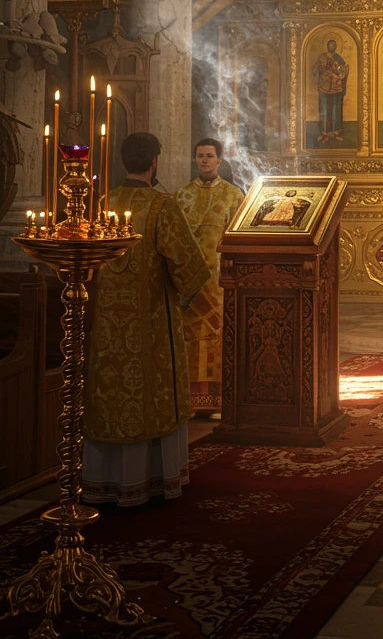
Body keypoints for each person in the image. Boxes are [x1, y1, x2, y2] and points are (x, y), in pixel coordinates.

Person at [83, 132, 210, 506]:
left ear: (124, 162)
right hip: (151, 324)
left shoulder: (100, 204)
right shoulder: (162, 206)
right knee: (149, 394)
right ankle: (153, 480)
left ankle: (103, 482)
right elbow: (190, 268)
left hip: (106, 327)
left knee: (111, 391)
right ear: (153, 162)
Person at [176, 138, 244, 417]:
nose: (204, 160)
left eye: (209, 156)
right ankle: (190, 401)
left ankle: (219, 400)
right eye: (200, 155)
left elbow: (238, 238)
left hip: (218, 281)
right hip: (190, 282)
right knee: (190, 337)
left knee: (218, 336)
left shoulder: (233, 195)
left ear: (219, 160)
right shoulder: (182, 196)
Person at [314, 38, 349, 143]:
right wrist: (317, 69)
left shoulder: (339, 58)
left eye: (334, 45)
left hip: (335, 88)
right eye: (330, 45)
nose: (332, 46)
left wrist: (338, 76)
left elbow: (344, 70)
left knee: (335, 111)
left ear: (336, 47)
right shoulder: (322, 57)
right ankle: (324, 133)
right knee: (324, 111)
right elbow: (315, 68)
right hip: (324, 87)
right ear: (327, 46)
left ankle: (336, 133)